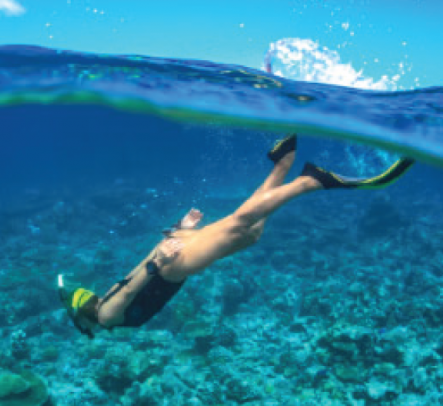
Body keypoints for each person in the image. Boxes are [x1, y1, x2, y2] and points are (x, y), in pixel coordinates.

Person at [57, 135, 414, 337]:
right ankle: (284, 163)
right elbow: (135, 278)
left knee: (243, 224)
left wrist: (169, 247)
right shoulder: (104, 311)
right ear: (80, 309)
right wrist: (172, 242)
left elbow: (136, 280)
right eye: (79, 295)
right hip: (171, 263)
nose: (84, 292)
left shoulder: (104, 310)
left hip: (173, 266)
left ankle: (311, 180)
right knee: (249, 232)